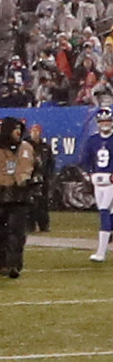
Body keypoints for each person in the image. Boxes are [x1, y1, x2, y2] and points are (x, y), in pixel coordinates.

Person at [0, 116, 41, 278]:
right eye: (14, 129)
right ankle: (2, 263)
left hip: (20, 195)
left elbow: (37, 168)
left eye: (19, 129)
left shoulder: (27, 147)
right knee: (1, 232)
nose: (18, 132)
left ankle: (14, 264)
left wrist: (34, 182)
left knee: (17, 231)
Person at [80, 104, 113, 262]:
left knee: (105, 212)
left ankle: (101, 252)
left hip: (111, 180)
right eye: (102, 121)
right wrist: (89, 173)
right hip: (98, 181)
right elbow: (85, 160)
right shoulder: (93, 140)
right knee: (105, 211)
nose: (104, 124)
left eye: (107, 121)